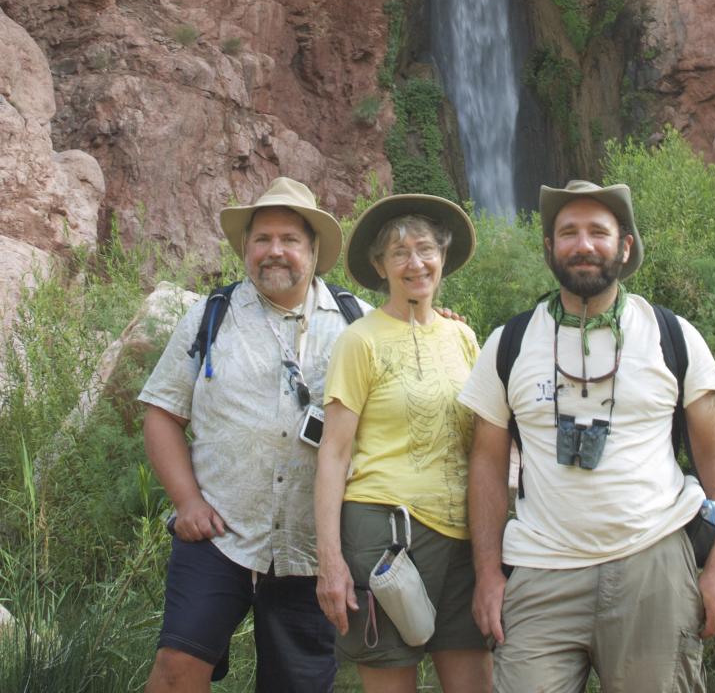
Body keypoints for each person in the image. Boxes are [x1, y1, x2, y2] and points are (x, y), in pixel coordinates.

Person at [459, 179, 715, 693]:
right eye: (567, 232)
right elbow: (486, 464)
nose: (583, 245)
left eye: (598, 232)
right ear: (548, 248)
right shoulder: (510, 343)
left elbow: (713, 451)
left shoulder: (671, 335)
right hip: (541, 567)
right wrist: (487, 576)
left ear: (624, 245)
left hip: (652, 561)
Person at [139, 176, 371, 693]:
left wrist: (437, 321)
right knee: (177, 671)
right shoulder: (209, 316)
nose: (275, 252)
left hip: (312, 548)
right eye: (262, 239)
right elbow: (162, 414)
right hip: (220, 536)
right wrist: (187, 502)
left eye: (290, 240)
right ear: (246, 248)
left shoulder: (360, 325)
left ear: (314, 251)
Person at [315, 194, 492, 693]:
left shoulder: (463, 337)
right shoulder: (359, 340)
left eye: (425, 249)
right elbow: (333, 452)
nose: (415, 263)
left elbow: (484, 439)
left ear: (443, 257)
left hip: (462, 539)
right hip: (385, 537)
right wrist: (330, 561)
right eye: (399, 253)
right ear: (379, 266)